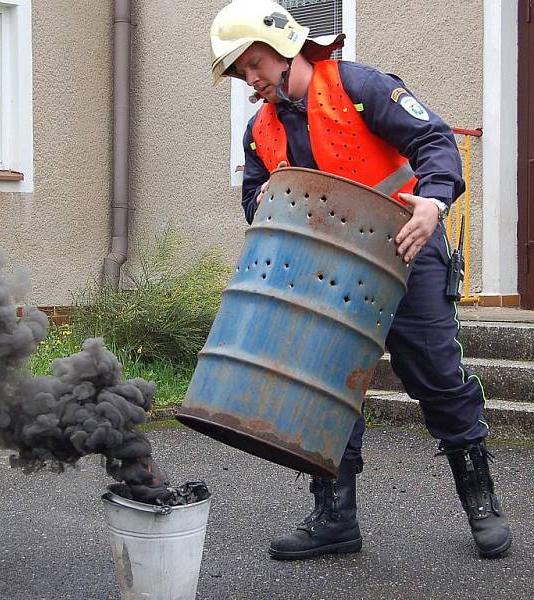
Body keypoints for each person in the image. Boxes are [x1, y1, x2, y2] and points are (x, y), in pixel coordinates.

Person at [209, 0, 512, 559]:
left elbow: (436, 143)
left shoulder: (360, 87)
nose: (250, 80)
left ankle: (481, 505)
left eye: (253, 64)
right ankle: (334, 519)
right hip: (326, 273)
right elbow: (257, 196)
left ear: (284, 46)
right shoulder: (261, 129)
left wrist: (435, 203)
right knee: (326, 390)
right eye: (240, 72)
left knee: (439, 379)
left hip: (406, 252)